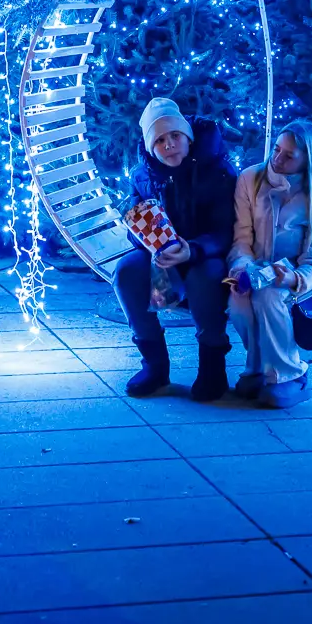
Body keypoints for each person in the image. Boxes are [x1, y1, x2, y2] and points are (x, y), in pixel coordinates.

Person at [115, 96, 237, 400]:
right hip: (164, 256)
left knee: (204, 277)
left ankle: (212, 367)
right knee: (127, 271)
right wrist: (148, 239)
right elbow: (135, 226)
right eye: (160, 141)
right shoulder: (143, 176)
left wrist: (192, 249)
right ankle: (155, 365)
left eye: (175, 136)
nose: (169, 145)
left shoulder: (217, 170)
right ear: (149, 146)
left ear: (188, 136)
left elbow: (226, 229)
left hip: (206, 254)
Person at [226, 119, 312, 409]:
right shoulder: (251, 179)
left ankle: (289, 374)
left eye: (289, 156)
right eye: (276, 149)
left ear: (307, 159)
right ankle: (256, 368)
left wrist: (295, 278)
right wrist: (242, 267)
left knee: (268, 297)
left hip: (294, 275)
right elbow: (241, 236)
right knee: (239, 301)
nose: (277, 159)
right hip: (253, 269)